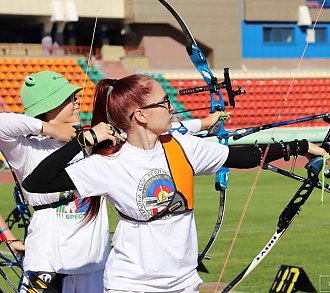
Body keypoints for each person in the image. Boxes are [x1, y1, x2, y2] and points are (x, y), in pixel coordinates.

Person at [22, 74, 328, 293]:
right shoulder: (110, 162)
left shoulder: (181, 145)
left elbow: (242, 156)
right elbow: (37, 182)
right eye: (164, 103)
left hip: (183, 282)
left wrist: (298, 146)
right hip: (131, 285)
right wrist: (84, 139)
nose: (171, 108)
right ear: (141, 115)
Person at [0, 70, 221, 292]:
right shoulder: (26, 148)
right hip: (48, 263)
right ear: (48, 105)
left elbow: (148, 129)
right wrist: (54, 131)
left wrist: (202, 123)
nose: (77, 101)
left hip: (95, 263)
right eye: (68, 98)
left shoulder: (97, 137)